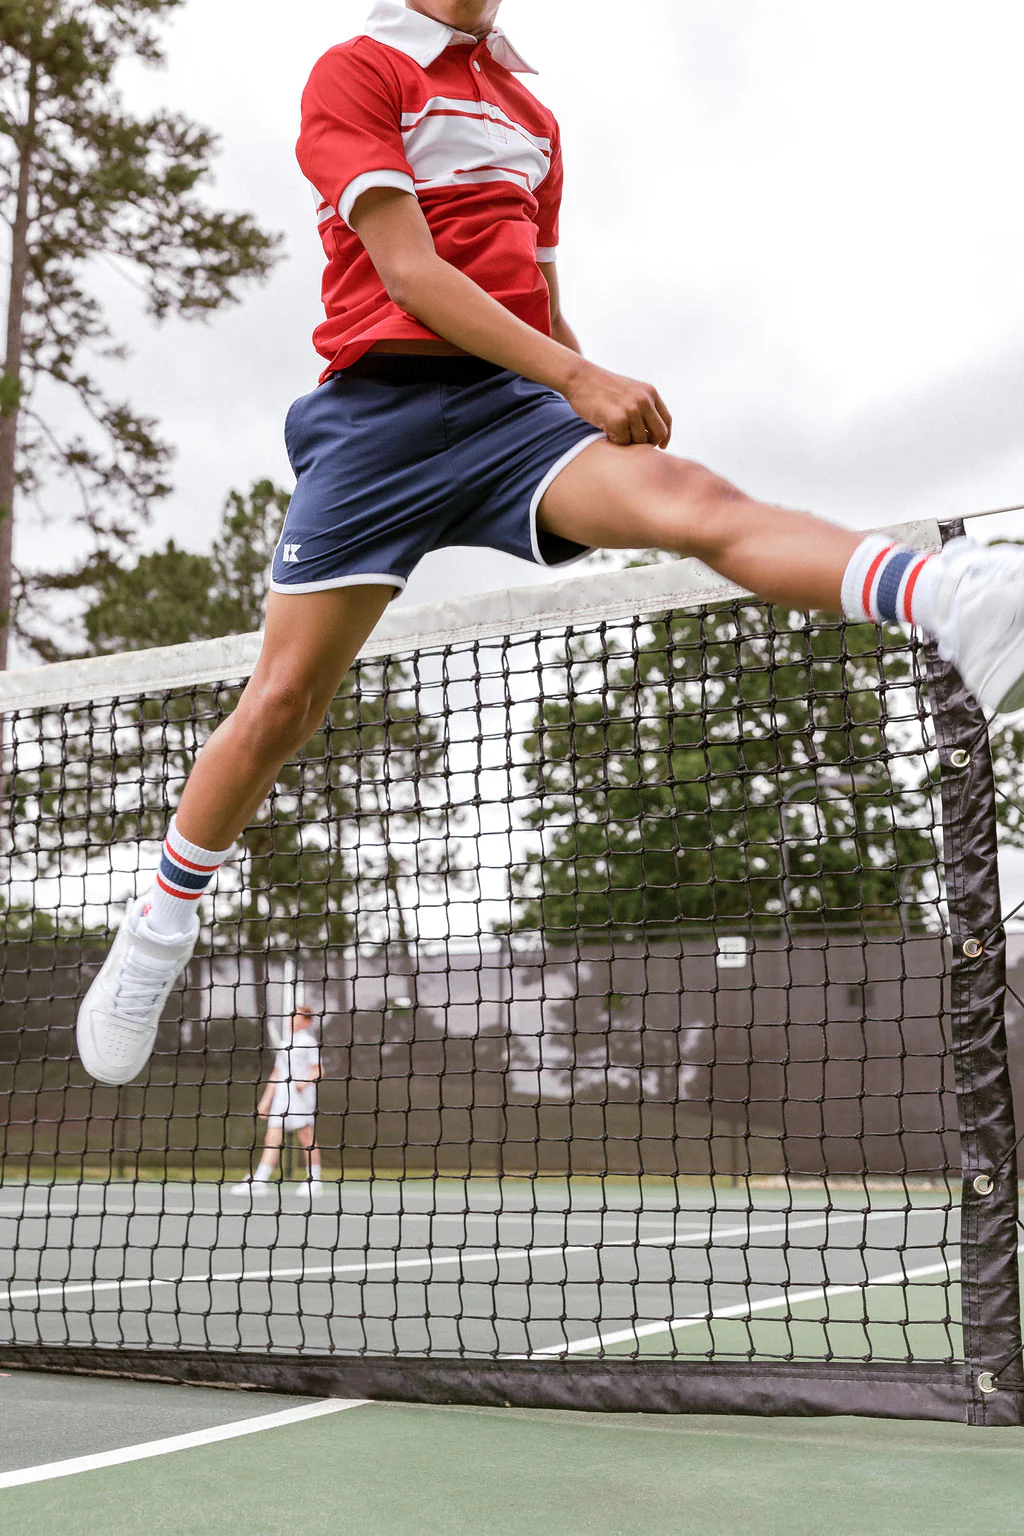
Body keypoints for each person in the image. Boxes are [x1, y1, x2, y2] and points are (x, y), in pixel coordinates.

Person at [76, 0, 1024, 1086]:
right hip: (375, 427)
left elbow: (539, 296)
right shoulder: (357, 71)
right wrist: (579, 375)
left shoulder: (531, 110)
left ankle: (953, 597)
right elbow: (410, 273)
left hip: (516, 413)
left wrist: (589, 404)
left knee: (692, 500)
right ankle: (160, 925)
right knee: (283, 703)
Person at [231, 1004, 324, 1200]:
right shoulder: (284, 1043)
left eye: (296, 1016)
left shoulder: (308, 1042)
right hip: (281, 1099)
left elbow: (318, 1070)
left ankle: (314, 1181)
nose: (292, 1019)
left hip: (302, 1099)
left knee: (306, 1138)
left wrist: (303, 1083)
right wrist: (266, 1101)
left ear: (306, 1021)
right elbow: (276, 1073)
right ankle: (259, 1182)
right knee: (272, 1139)